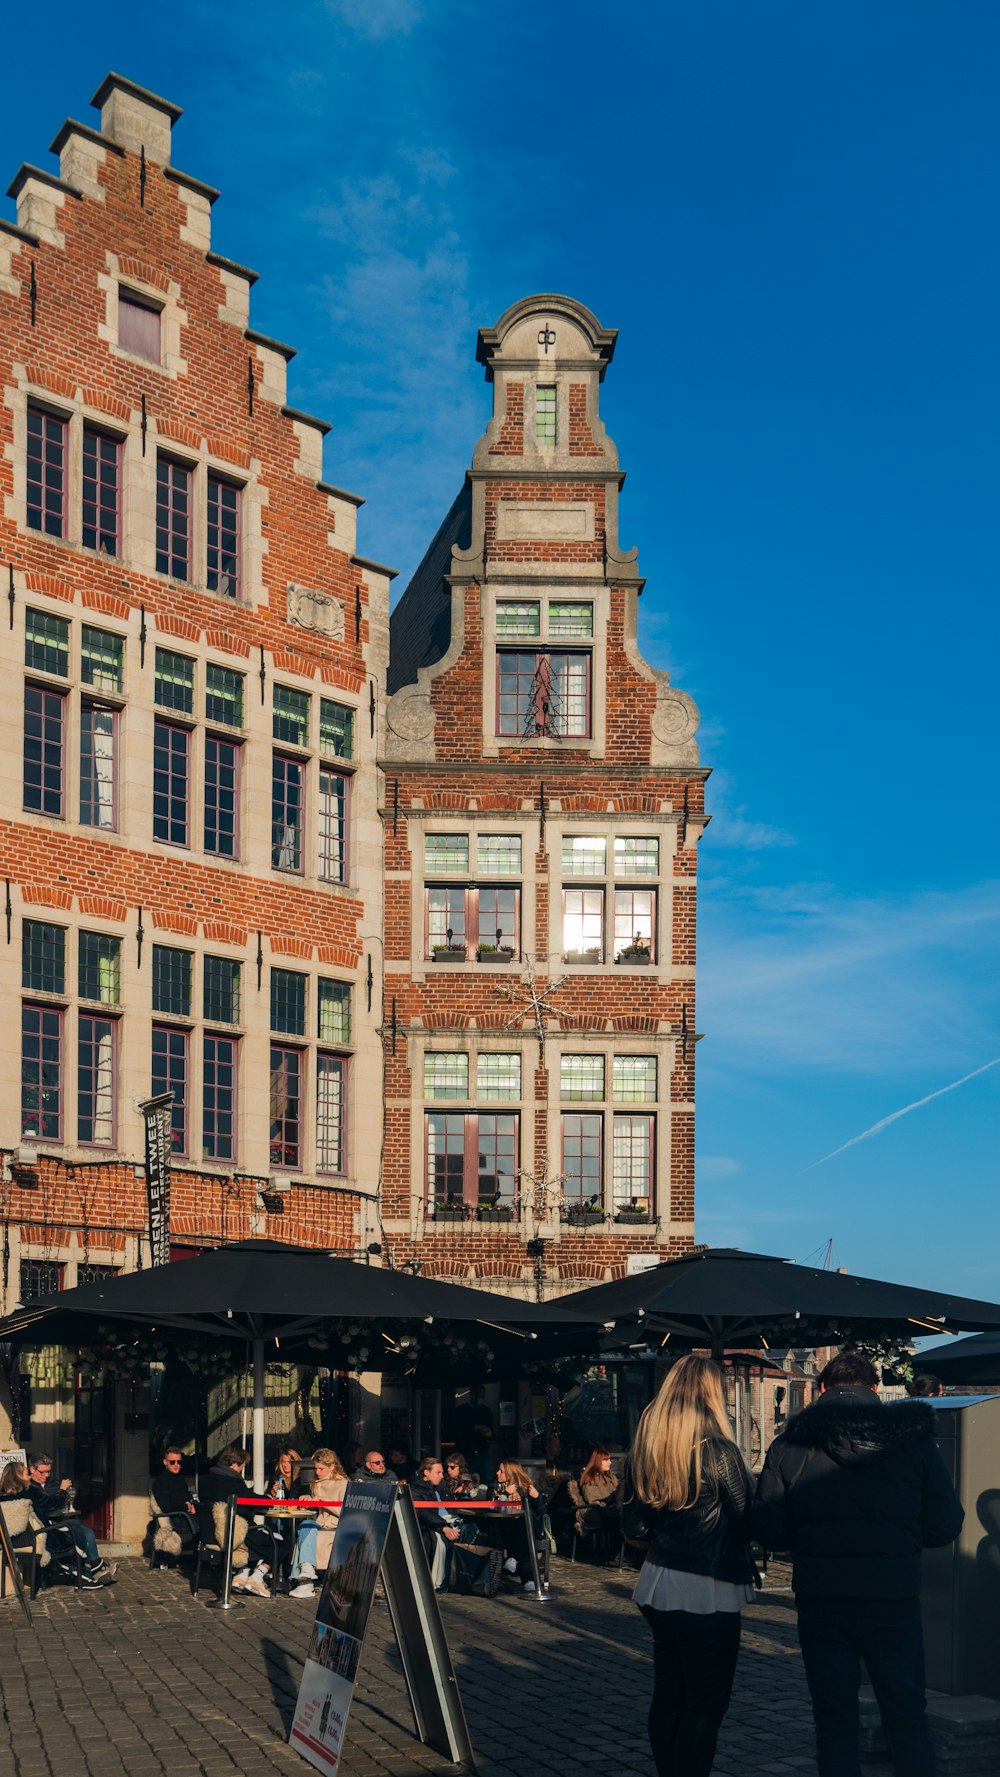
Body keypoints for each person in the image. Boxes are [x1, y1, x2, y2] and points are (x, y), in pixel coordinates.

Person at [754, 1349, 964, 1777]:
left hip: (822, 1595)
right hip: (892, 1594)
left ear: (822, 1389)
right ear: (873, 1390)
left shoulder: (790, 1444)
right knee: (906, 1715)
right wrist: (899, 1538)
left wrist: (811, 1539)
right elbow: (945, 1524)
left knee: (833, 1720)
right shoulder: (913, 1440)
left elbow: (769, 1528)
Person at [626, 1355, 757, 1777]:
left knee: (670, 1695)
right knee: (705, 1705)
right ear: (712, 1395)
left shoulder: (648, 1445)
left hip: (660, 1578)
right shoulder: (719, 1450)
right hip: (708, 1582)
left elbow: (634, 1524)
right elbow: (746, 1520)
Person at [27, 1451, 116, 1588]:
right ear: (32, 1469)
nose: (46, 1475)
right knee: (76, 1530)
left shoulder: (53, 1483)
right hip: (46, 1526)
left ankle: (94, 1567)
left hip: (59, 1520)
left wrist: (64, 1496)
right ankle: (92, 1569)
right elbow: (49, 1504)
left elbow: (60, 1502)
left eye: (48, 1472)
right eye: (42, 1472)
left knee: (87, 1532)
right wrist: (61, 1492)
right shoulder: (30, 1487)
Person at [199, 1442, 276, 1597]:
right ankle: (257, 1577)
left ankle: (241, 1577)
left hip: (209, 1535)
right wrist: (270, 1499)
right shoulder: (232, 1482)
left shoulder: (204, 1481)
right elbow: (251, 1500)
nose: (242, 1471)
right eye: (242, 1467)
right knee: (280, 1544)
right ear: (234, 1465)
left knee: (260, 1538)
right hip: (233, 1534)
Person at [290, 1448, 349, 1599]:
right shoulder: (317, 1483)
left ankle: (305, 1581)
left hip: (335, 1526)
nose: (318, 1472)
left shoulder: (343, 1484)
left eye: (321, 1469)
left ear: (332, 1467)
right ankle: (307, 1572)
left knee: (307, 1528)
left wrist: (323, 1502)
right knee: (305, 1526)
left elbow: (345, 1511)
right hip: (320, 1523)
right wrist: (308, 1499)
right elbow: (317, 1506)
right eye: (316, 1468)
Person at [409, 1456, 464, 1592]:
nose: (441, 1476)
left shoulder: (440, 1485)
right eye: (438, 1472)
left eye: (441, 1472)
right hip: (433, 1523)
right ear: (426, 1472)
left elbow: (450, 1505)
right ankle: (441, 1581)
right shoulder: (416, 1488)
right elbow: (423, 1513)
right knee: (445, 1539)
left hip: (449, 1518)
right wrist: (443, 1526)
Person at [492, 1460, 546, 1592]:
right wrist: (505, 1494)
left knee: (524, 1524)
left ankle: (514, 1558)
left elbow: (542, 1513)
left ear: (511, 1474)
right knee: (525, 1533)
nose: (497, 1473)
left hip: (527, 1531)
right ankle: (528, 1579)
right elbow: (495, 1508)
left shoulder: (526, 1488)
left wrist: (537, 1497)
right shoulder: (495, 1487)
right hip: (504, 1529)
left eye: (501, 1471)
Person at [0, 1461, 51, 1581]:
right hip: (30, 1542)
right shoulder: (29, 1492)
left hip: (7, 1544)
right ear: (18, 1476)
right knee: (69, 1530)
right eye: (26, 1474)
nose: (29, 1477)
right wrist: (63, 1491)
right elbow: (51, 1504)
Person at [569, 1446, 621, 1558]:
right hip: (593, 1511)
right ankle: (617, 1553)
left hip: (609, 1508)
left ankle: (621, 1552)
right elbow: (591, 1499)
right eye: (606, 1460)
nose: (610, 1462)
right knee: (620, 1519)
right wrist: (608, 1503)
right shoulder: (589, 1478)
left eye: (609, 1459)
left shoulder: (611, 1478)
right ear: (598, 1461)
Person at [150, 1445, 198, 1558]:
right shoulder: (161, 1482)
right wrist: (185, 1506)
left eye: (179, 1462)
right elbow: (167, 1507)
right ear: (165, 1462)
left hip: (184, 1516)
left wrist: (192, 1504)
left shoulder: (180, 1479)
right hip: (174, 1519)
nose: (176, 1465)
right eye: (172, 1462)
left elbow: (187, 1495)